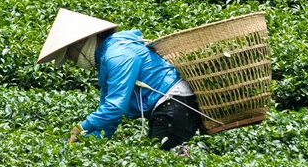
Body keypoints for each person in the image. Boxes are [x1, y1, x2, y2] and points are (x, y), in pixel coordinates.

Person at [37, 8, 200, 150]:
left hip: (174, 105)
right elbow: (109, 114)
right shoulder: (107, 57)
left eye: (68, 54)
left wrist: (80, 128)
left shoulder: (117, 54)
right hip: (168, 108)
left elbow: (115, 107)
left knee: (166, 165)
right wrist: (90, 144)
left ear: (80, 41)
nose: (71, 61)